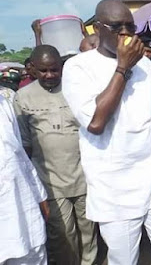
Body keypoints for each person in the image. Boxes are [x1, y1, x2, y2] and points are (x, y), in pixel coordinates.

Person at [62, 0, 151, 265]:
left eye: (130, 27)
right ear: (97, 29)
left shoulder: (146, 66)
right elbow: (96, 122)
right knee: (124, 259)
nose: (125, 33)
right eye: (116, 27)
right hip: (115, 186)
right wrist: (123, 67)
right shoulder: (78, 67)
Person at [13, 45, 98, 265]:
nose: (49, 75)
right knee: (62, 235)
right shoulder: (23, 97)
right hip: (50, 181)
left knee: (89, 230)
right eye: (43, 71)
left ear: (61, 67)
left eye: (54, 69)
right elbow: (24, 145)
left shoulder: (76, 90)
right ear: (33, 69)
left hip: (84, 176)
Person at [0, 95, 49, 265]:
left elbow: (19, 154)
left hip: (21, 206)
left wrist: (39, 195)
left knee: (30, 253)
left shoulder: (3, 103)